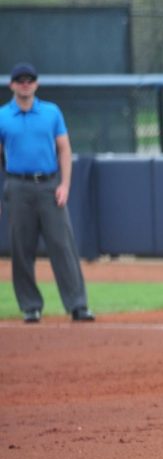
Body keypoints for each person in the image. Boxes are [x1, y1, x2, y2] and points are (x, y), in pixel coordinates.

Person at [0, 62, 94, 324]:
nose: (25, 84)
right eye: (20, 80)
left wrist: (65, 185)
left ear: (36, 84)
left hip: (49, 184)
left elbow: (64, 149)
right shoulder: (3, 116)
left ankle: (78, 304)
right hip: (18, 185)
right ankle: (30, 306)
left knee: (62, 245)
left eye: (30, 80)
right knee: (21, 248)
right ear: (12, 85)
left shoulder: (51, 112)